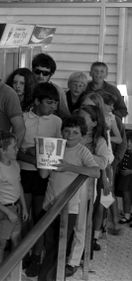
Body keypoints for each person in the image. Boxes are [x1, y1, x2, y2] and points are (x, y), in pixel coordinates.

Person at [38, 116, 100, 281]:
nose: (70, 135)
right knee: (49, 243)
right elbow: (44, 175)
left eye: (75, 132)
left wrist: (69, 167)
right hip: (50, 203)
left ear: (82, 135)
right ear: (61, 131)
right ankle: (50, 275)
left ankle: (47, 277)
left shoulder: (82, 151)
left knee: (60, 245)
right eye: (67, 131)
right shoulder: (55, 146)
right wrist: (43, 157)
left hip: (70, 206)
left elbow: (96, 172)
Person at [16, 82, 62, 277]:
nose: (53, 107)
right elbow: (15, 149)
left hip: (44, 176)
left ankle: (36, 256)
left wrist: (36, 155)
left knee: (40, 216)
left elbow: (58, 149)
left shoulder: (57, 122)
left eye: (55, 103)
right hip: (23, 172)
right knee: (24, 217)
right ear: (36, 101)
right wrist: (33, 156)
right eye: (49, 103)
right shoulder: (22, 119)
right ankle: (24, 252)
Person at [66, 106, 113, 277]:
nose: (80, 119)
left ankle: (73, 260)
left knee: (80, 223)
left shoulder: (98, 141)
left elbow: (103, 163)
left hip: (85, 186)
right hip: (66, 182)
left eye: (84, 118)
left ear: (93, 122)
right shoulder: (70, 134)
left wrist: (81, 155)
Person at [0, 131, 28, 266]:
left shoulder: (15, 164)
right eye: (14, 147)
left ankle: (14, 271)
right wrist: (8, 212)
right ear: (2, 150)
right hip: (4, 211)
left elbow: (19, 185)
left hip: (15, 208)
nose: (17, 149)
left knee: (16, 239)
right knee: (1, 243)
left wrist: (24, 207)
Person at [31, 53, 70, 118]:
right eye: (38, 72)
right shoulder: (26, 87)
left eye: (45, 73)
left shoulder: (58, 91)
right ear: (32, 70)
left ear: (51, 74)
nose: (41, 76)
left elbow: (65, 115)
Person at [117, 132, 132, 226]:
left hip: (130, 176)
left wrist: (130, 171)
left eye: (131, 142)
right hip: (125, 179)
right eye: (128, 142)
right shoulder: (124, 151)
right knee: (126, 197)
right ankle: (127, 215)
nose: (129, 144)